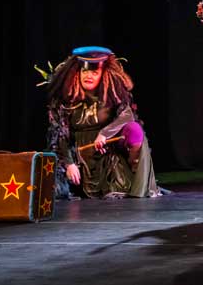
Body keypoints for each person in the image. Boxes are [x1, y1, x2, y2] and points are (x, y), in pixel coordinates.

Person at [45, 46, 161, 199]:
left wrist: (105, 133)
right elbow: (59, 134)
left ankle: (136, 178)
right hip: (77, 157)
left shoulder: (112, 94)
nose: (89, 76)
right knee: (59, 190)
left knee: (134, 129)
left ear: (103, 75)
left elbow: (127, 116)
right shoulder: (65, 99)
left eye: (95, 72)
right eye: (85, 71)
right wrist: (69, 164)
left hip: (105, 156)